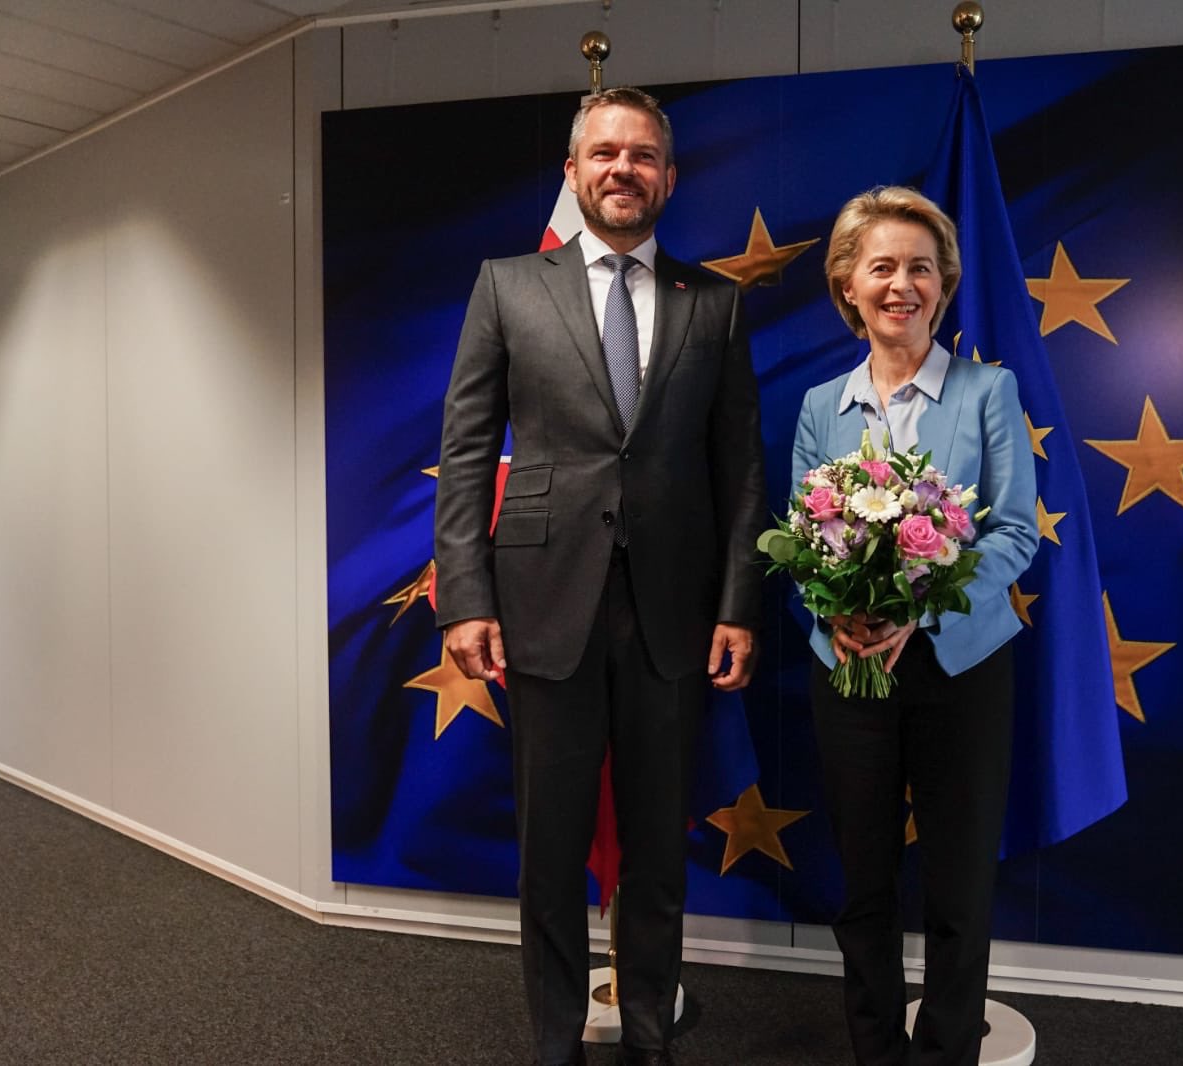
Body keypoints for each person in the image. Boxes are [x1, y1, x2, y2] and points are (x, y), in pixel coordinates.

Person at [434, 87, 765, 1066]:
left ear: (669, 176)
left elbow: (740, 468)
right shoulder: (506, 286)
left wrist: (738, 605)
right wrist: (465, 595)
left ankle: (651, 1042)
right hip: (540, 606)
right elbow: (464, 452)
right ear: (575, 172)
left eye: (644, 155)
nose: (624, 170)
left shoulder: (716, 302)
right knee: (550, 853)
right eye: (605, 154)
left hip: (673, 614)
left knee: (659, 852)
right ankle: (555, 1044)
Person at [789, 186, 1038, 1066]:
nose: (904, 284)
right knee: (861, 882)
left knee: (958, 882)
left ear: (944, 284)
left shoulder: (987, 392)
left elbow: (1013, 533)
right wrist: (841, 613)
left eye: (921, 268)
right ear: (848, 285)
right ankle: (875, 1054)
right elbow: (799, 540)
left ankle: (943, 1055)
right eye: (883, 267)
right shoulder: (822, 405)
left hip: (960, 669)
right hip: (849, 667)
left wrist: (916, 611)